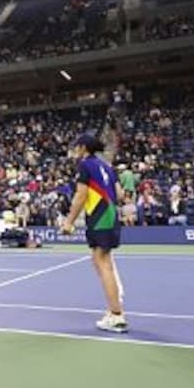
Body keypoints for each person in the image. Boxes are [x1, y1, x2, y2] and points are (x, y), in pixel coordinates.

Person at [62, 133, 127, 333]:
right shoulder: (107, 166)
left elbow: (81, 196)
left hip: (100, 218)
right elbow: (120, 194)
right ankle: (114, 308)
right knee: (98, 261)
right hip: (110, 216)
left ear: (83, 148)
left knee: (103, 263)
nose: (75, 151)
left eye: (76, 147)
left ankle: (116, 315)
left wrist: (69, 222)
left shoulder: (85, 165)